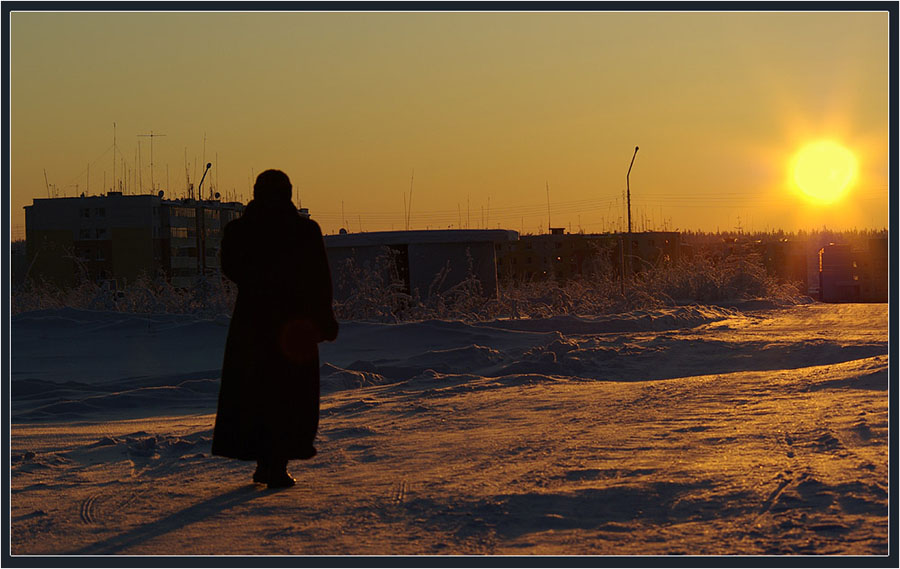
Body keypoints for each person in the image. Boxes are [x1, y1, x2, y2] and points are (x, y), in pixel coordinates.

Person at [211, 169, 338, 489]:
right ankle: (275, 465)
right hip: (295, 326)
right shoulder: (304, 230)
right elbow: (320, 279)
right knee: (289, 395)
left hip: (252, 324)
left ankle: (263, 463)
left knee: (254, 392)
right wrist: (323, 318)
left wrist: (258, 282)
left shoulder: (240, 230)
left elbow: (231, 268)